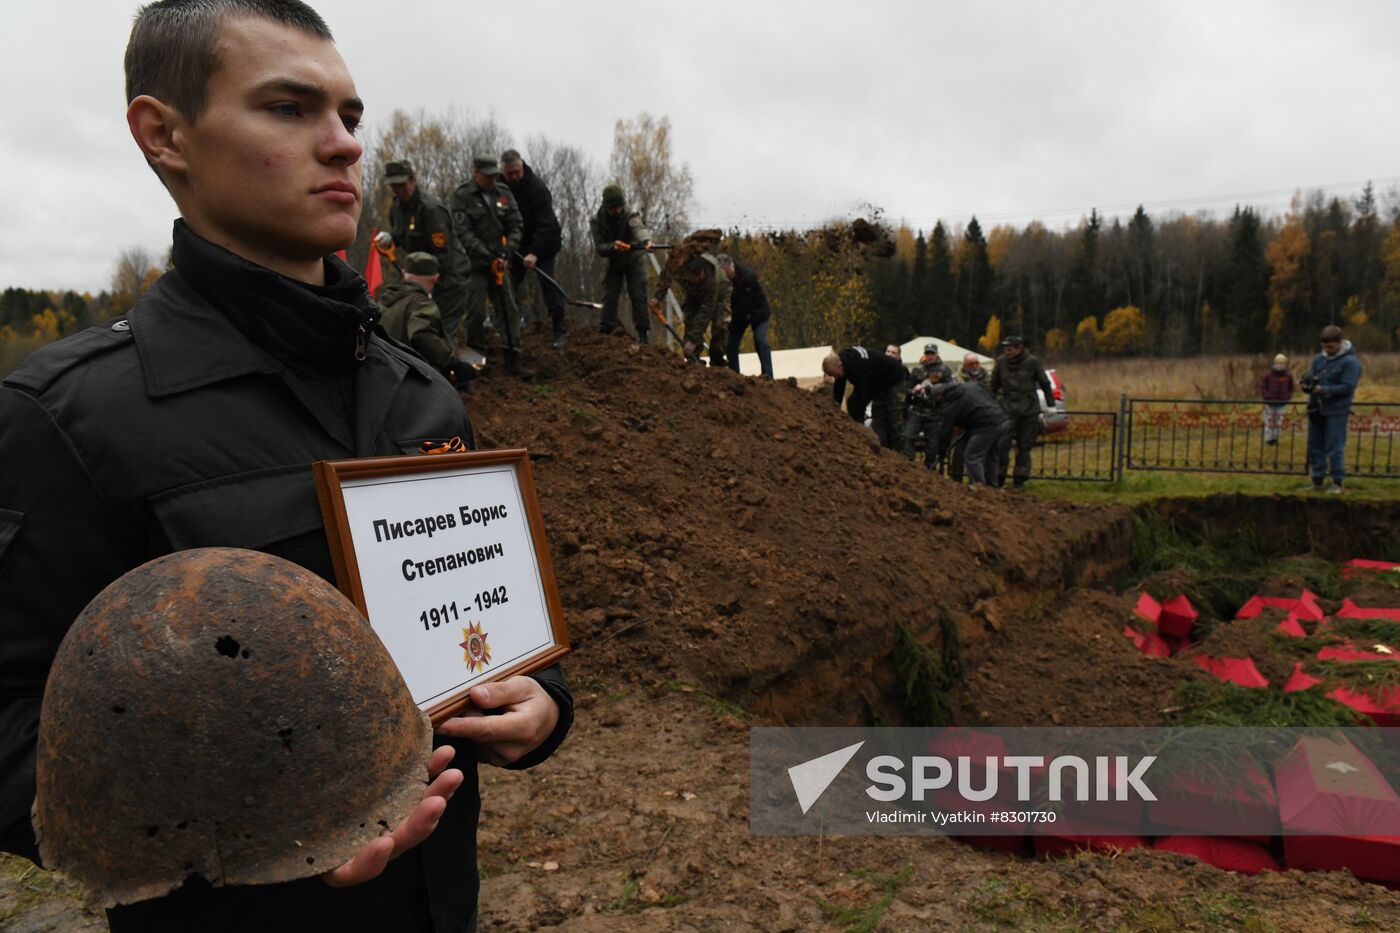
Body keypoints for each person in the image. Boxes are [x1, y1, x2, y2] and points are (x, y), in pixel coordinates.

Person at [0, 3, 572, 930]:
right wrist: (257, 827)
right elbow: (14, 721)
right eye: (288, 108)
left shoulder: (423, 397)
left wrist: (544, 705)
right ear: (165, 135)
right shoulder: (66, 417)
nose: (344, 144)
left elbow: (492, 631)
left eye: (349, 114)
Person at [450, 155, 532, 377]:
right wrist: (487, 255)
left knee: (509, 308)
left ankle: (512, 357)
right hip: (475, 265)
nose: (492, 180)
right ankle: (475, 363)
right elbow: (462, 232)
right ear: (475, 173)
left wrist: (508, 250)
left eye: (494, 175)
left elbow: (516, 224)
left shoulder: (504, 194)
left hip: (500, 263)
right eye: (487, 176)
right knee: (475, 312)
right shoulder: (463, 196)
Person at [381, 158, 470, 349]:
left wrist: (422, 280)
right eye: (394, 186)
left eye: (402, 185)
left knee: (441, 331)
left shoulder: (430, 209)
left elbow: (443, 255)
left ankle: (449, 374)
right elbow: (402, 235)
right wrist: (391, 238)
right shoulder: (397, 207)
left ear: (413, 180)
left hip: (448, 279)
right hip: (422, 280)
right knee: (421, 327)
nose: (398, 190)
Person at [377, 252, 476, 387]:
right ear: (435, 278)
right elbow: (421, 335)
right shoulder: (421, 304)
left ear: (405, 273)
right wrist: (452, 363)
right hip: (410, 380)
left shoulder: (384, 302)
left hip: (382, 376)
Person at [500, 150, 566, 348]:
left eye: (517, 172)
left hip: (544, 243)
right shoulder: (499, 187)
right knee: (507, 285)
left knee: (548, 285)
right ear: (503, 171)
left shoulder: (537, 188)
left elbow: (546, 224)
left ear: (522, 167)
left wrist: (535, 252)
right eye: (510, 173)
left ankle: (560, 331)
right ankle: (506, 332)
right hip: (516, 244)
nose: (514, 177)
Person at [1301, 325, 1362, 493]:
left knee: (1334, 447)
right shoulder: (1319, 359)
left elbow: (1348, 387)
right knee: (1315, 446)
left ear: (1340, 343)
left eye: (1330, 347)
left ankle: (1337, 482)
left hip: (1337, 411)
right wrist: (1306, 386)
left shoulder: (1351, 363)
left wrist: (1326, 390)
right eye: (1324, 346)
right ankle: (1317, 480)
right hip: (1317, 409)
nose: (1327, 350)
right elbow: (1312, 378)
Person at [653, 229, 727, 366]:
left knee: (719, 326)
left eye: (702, 278)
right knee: (690, 320)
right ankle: (693, 358)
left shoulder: (712, 276)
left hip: (719, 294)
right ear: (690, 276)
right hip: (693, 294)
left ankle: (717, 361)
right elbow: (665, 277)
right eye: (698, 279)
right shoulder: (678, 262)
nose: (701, 279)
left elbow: (706, 310)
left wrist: (693, 340)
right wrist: (658, 298)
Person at [589, 184, 653, 342]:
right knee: (610, 296)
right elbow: (600, 247)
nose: (617, 211)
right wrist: (614, 246)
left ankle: (643, 333)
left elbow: (639, 229)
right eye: (613, 209)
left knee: (638, 296)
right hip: (613, 262)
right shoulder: (597, 221)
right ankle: (606, 328)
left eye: (619, 207)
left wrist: (646, 241)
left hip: (634, 260)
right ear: (606, 207)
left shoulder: (630, 214)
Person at [989, 335, 1054, 490]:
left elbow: (1045, 383)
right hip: (1007, 409)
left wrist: (1050, 405)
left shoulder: (1032, 362)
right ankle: (999, 477)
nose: (1007, 352)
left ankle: (1020, 479)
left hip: (1029, 410)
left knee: (1025, 446)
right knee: (1002, 444)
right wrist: (990, 404)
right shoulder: (1001, 362)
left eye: (1010, 349)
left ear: (1019, 349)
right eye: (1005, 349)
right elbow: (993, 385)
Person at [930, 381, 1010, 487]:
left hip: (986, 425)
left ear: (940, 395)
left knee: (972, 456)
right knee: (991, 455)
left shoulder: (950, 404)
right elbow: (990, 394)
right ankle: (992, 486)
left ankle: (979, 486)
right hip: (1001, 419)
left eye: (937, 400)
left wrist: (942, 451)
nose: (939, 403)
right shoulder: (969, 385)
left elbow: (945, 431)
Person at [823, 346, 907, 448]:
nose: (834, 377)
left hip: (894, 377)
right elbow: (839, 386)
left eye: (834, 374)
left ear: (839, 365)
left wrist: (858, 421)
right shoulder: (841, 361)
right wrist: (834, 408)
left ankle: (901, 451)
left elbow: (863, 394)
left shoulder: (857, 366)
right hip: (877, 380)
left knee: (894, 416)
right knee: (851, 402)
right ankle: (881, 443)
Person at [718, 254, 772, 378]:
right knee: (731, 344)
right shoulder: (723, 282)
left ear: (730, 267)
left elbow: (744, 305)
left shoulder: (748, 277)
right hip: (739, 315)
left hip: (758, 313)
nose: (724, 276)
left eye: (725, 273)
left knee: (760, 340)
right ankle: (734, 374)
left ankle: (768, 375)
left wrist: (729, 318)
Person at [902, 363, 950, 468]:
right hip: (916, 410)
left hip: (934, 412)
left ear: (936, 354)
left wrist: (938, 391)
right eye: (928, 353)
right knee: (908, 436)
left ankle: (930, 468)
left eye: (932, 353)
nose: (930, 356)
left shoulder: (944, 369)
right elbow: (907, 389)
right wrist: (914, 390)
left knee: (932, 443)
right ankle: (909, 464)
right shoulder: (917, 369)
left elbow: (949, 389)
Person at [1259, 353, 1295, 447]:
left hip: (1282, 403)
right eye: (1278, 363)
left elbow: (1291, 388)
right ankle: (1269, 439)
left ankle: (1275, 438)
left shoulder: (1288, 376)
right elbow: (1263, 387)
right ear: (1275, 363)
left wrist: (1287, 397)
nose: (1280, 365)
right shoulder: (1268, 376)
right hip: (1270, 402)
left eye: (1282, 363)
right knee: (1269, 421)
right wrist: (1267, 396)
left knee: (1278, 421)